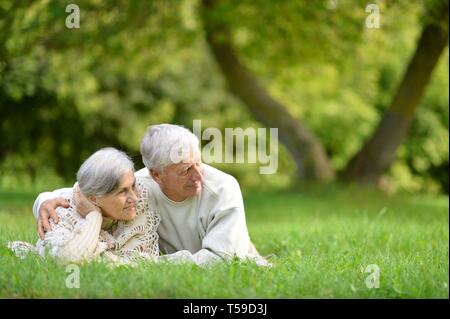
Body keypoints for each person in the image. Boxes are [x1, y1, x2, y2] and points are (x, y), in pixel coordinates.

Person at [33, 124, 270, 266]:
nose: (199, 175)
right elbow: (93, 188)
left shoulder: (223, 188)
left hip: (234, 254)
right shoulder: (141, 185)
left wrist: (147, 264)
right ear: (156, 174)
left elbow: (223, 261)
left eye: (199, 163)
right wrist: (44, 199)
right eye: (185, 170)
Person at [9, 147, 160, 265]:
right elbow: (69, 260)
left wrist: (98, 257)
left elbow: (141, 262)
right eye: (122, 192)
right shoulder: (61, 214)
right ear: (93, 199)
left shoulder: (140, 198)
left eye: (133, 186)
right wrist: (93, 217)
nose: (134, 197)